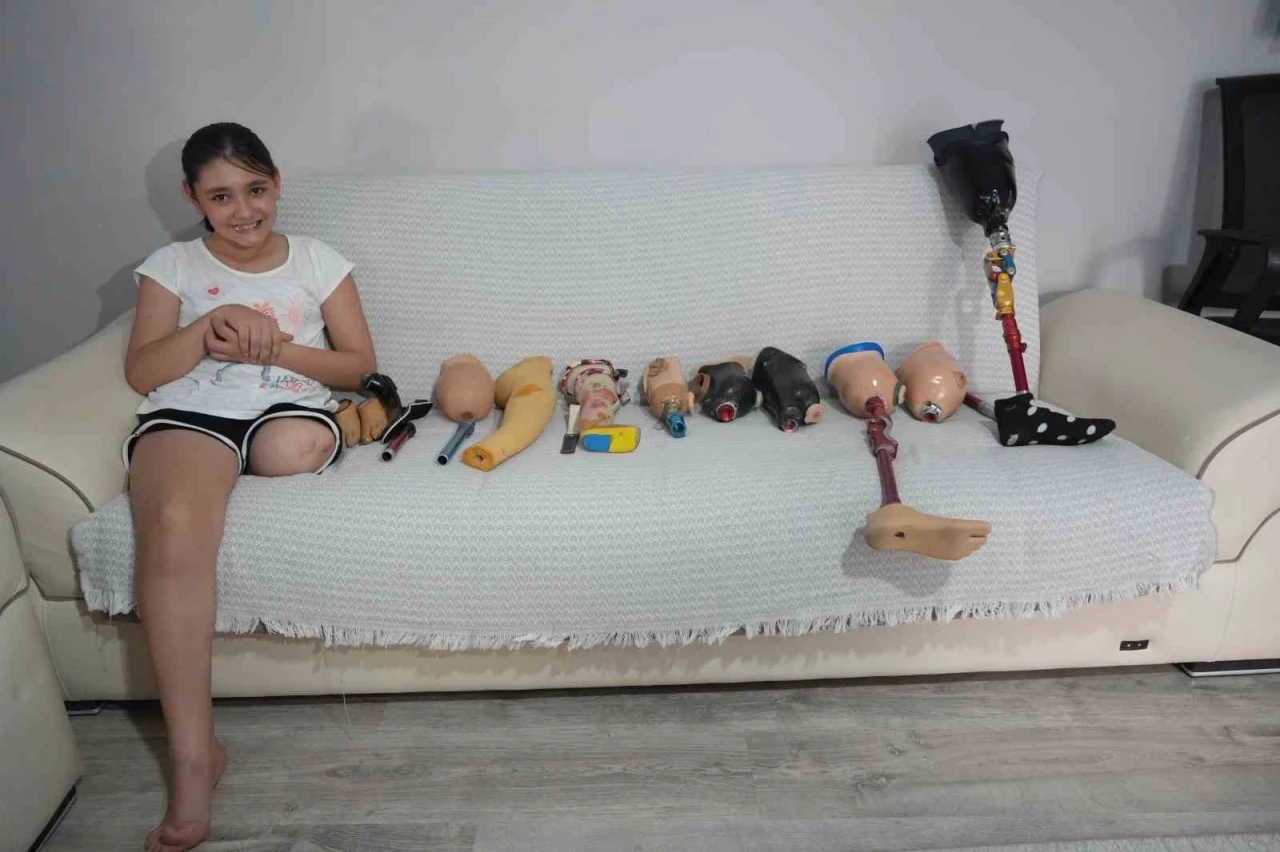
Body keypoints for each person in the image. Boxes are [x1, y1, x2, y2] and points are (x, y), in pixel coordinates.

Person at [123, 122, 377, 851]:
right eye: (221, 197)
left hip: (288, 407)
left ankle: (288, 443)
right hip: (193, 412)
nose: (243, 211)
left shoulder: (317, 259)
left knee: (297, 446)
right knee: (174, 526)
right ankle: (194, 757)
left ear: (277, 184)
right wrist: (210, 326)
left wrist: (277, 347)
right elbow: (142, 372)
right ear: (193, 198)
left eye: (256, 190)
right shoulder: (171, 266)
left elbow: (360, 365)